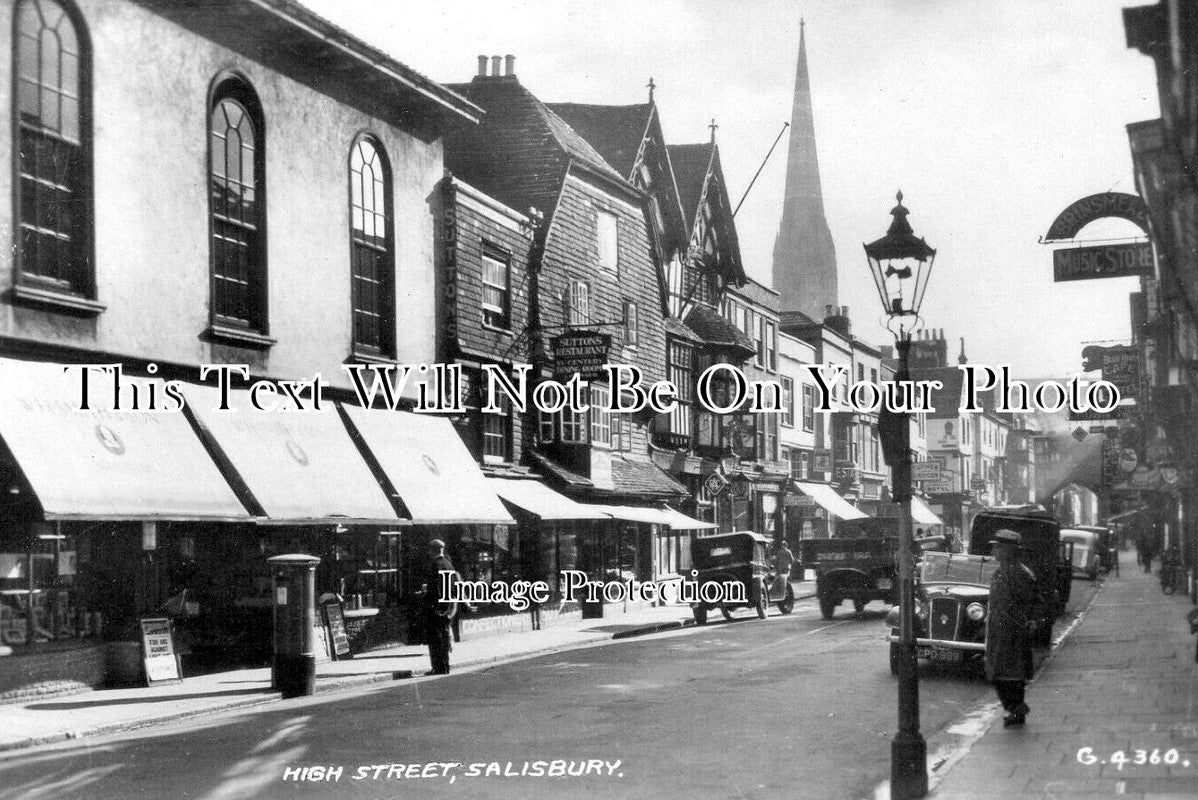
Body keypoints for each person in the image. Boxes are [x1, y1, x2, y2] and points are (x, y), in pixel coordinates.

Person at [985, 529, 1036, 727]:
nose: (994, 551)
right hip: (1000, 629)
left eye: (998, 547)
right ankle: (1015, 708)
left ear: (1008, 550)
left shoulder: (1020, 573)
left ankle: (1017, 709)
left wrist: (1023, 624)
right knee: (999, 673)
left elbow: (1027, 603)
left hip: (1012, 631)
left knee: (1009, 675)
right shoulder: (1002, 571)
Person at [421, 538, 458, 675]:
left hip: (436, 606)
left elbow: (435, 588)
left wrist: (426, 595)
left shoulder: (435, 565)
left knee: (435, 638)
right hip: (447, 606)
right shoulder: (449, 564)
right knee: (444, 635)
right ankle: (445, 666)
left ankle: (437, 667)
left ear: (432, 551)